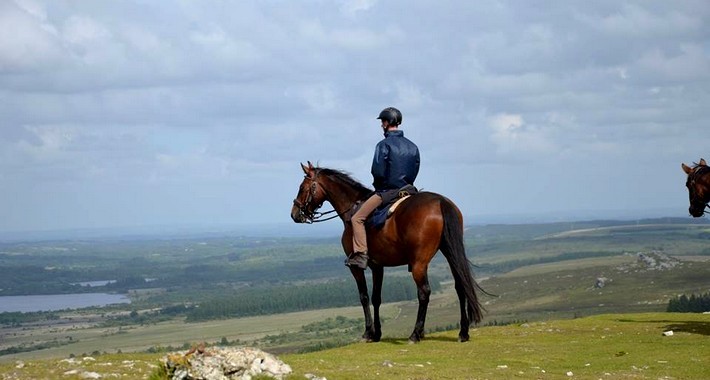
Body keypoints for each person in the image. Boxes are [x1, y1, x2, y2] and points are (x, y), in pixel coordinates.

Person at [347, 107, 420, 269]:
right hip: (409, 190)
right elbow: (415, 168)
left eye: (382, 122)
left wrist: (379, 188)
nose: (381, 125)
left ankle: (361, 255)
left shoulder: (383, 145)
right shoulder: (412, 146)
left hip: (388, 192)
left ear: (387, 123)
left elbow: (378, 171)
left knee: (356, 219)